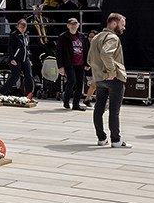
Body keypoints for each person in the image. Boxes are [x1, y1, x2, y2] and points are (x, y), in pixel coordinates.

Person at [90, 13, 130, 148]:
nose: (124, 28)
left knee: (98, 108)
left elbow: (90, 59)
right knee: (114, 110)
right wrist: (112, 71)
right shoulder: (112, 37)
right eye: (122, 25)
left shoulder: (96, 37)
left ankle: (101, 138)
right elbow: (106, 53)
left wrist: (98, 73)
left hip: (100, 79)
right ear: (114, 24)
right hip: (113, 79)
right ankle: (116, 140)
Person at [55, 17, 90, 111]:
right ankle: (66, 99)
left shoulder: (82, 36)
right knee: (72, 81)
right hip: (69, 63)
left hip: (81, 63)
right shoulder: (63, 37)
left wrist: (87, 63)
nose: (73, 25)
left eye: (75, 24)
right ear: (68, 26)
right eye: (71, 24)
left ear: (78, 25)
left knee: (79, 84)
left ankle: (76, 104)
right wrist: (60, 66)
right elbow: (58, 52)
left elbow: (86, 50)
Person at [4, 19, 35, 97]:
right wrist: (12, 58)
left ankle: (29, 94)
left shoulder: (26, 35)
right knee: (15, 76)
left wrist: (29, 59)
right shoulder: (14, 35)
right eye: (21, 27)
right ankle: (2, 91)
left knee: (29, 76)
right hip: (16, 58)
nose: (23, 29)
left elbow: (27, 48)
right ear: (18, 27)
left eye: (24, 27)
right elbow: (10, 47)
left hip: (26, 58)